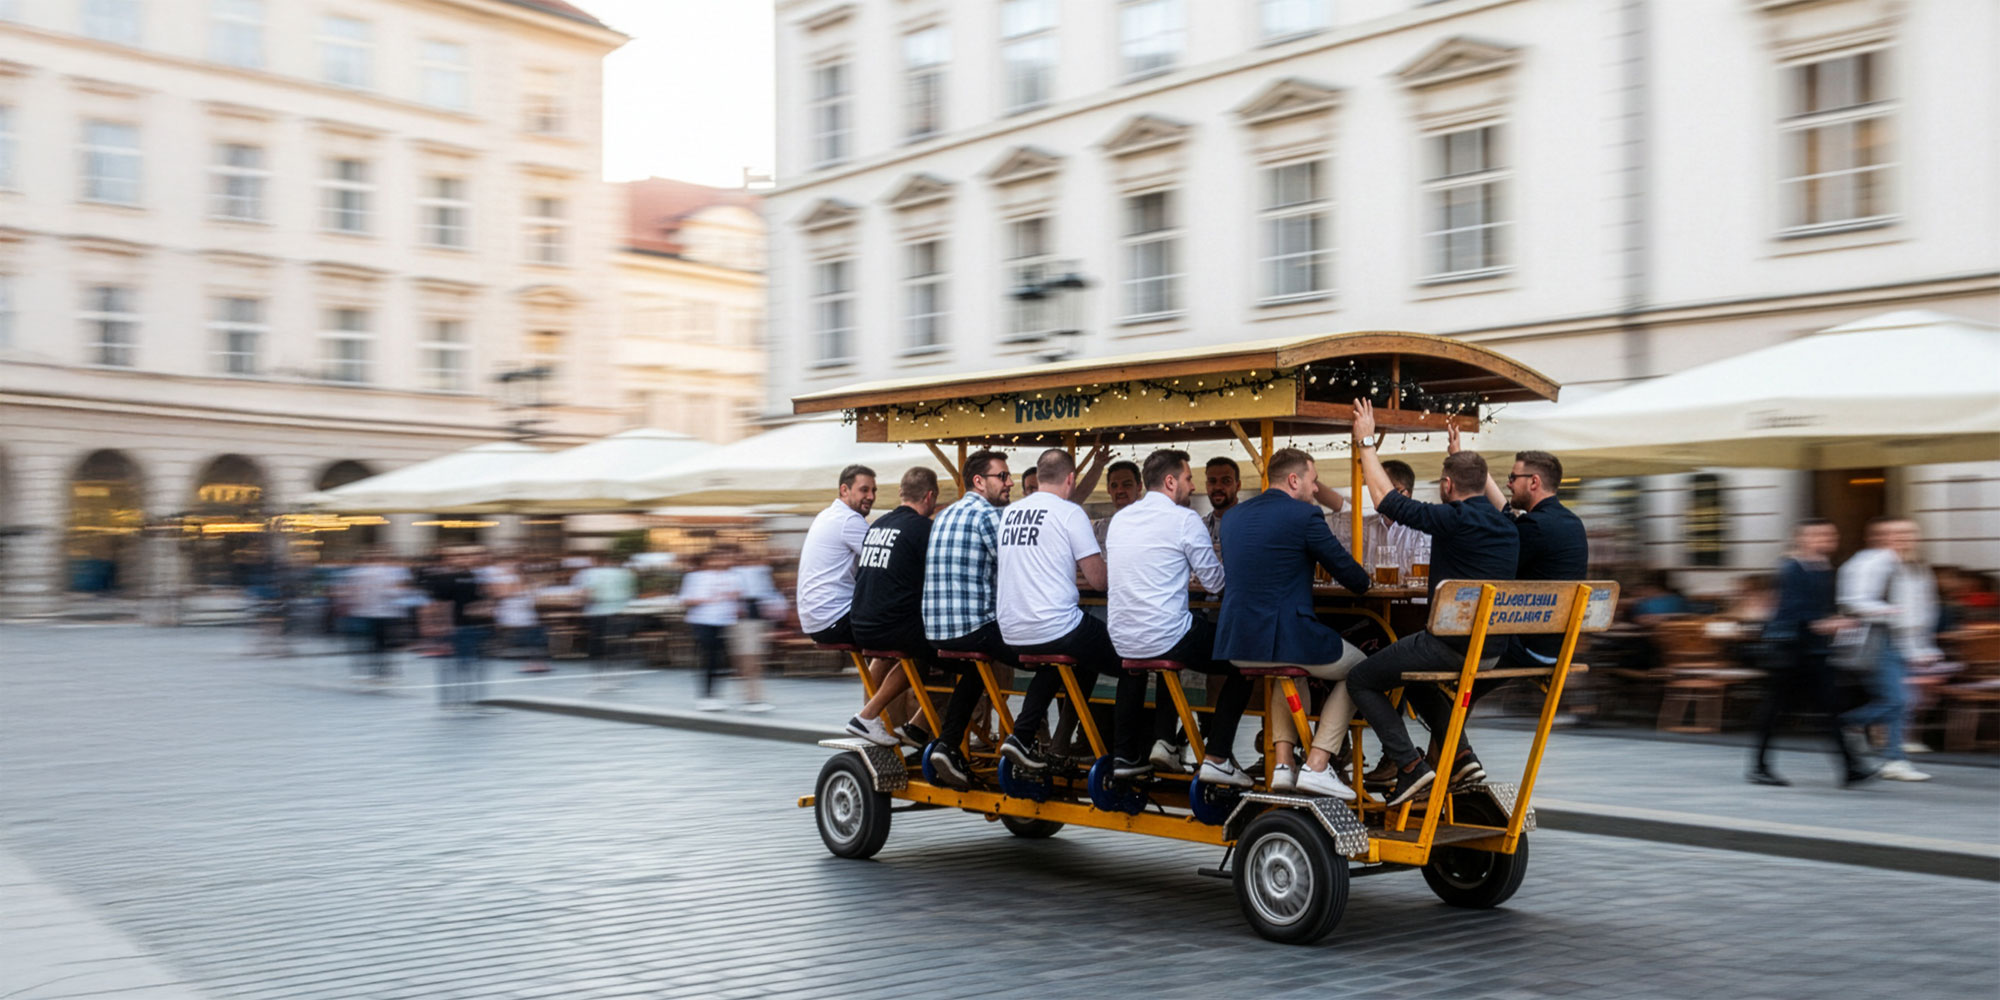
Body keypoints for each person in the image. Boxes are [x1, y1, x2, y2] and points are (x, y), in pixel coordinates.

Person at [1344, 399, 1519, 806]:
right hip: (1493, 649)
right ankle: (1461, 755)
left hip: (1451, 645)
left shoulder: (1454, 519)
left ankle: (1409, 766)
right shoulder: (1507, 525)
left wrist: (1366, 442)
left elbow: (1387, 501)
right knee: (1409, 675)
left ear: (1446, 487)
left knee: (1361, 678)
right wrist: (1461, 460)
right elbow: (1483, 492)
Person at [1214, 448, 1373, 798]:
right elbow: (1352, 577)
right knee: (1362, 670)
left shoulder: (1234, 517)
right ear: (1294, 480)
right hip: (1287, 635)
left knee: (1287, 672)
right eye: (1313, 481)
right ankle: (1318, 764)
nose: (1316, 489)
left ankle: (1284, 765)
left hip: (1239, 645)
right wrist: (1368, 579)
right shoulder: (1305, 515)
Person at [1108, 449, 1259, 787]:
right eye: (1190, 479)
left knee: (1147, 657)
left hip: (1121, 637)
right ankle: (1218, 755)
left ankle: (1129, 754)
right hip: (1166, 636)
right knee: (1246, 662)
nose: (1194, 487)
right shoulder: (1185, 519)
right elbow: (1216, 583)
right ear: (1171, 481)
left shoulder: (1122, 519)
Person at [996, 448, 1136, 774]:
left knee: (1069, 662)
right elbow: (1099, 580)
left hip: (1012, 630)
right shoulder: (1070, 513)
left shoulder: (1010, 513)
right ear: (1070, 479)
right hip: (1056, 626)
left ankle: (1023, 736)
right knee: (1133, 662)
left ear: (1039, 476)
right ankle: (1128, 755)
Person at [1749, 519, 1877, 787]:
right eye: (1818, 534)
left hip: (1814, 652)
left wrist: (1831, 620)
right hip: (1790, 652)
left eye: (1830, 533)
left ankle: (1851, 767)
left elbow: (1817, 610)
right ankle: (1759, 767)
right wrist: (1826, 623)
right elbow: (1794, 611)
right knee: (1776, 712)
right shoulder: (1792, 568)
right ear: (1801, 539)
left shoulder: (1823, 567)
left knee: (1829, 709)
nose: (1827, 538)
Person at [921, 450, 1018, 787]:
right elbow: (1017, 570)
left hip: (936, 632)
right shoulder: (988, 516)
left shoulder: (945, 514)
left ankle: (948, 746)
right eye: (1002, 476)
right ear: (979, 481)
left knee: (978, 669)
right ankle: (1025, 742)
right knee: (1045, 660)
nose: (1010, 483)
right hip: (973, 628)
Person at [844, 467, 949, 745]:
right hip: (892, 628)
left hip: (862, 624)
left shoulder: (879, 524)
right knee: (950, 655)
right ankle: (870, 717)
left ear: (902, 493)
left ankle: (884, 721)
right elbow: (939, 577)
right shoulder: (923, 529)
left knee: (910, 651)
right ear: (930, 496)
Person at [1838, 517, 1939, 781]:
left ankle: (1895, 759)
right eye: (1895, 533)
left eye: (1908, 532)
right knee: (1898, 700)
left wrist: (1923, 647)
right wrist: (1890, 612)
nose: (1903, 538)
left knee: (1905, 702)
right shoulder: (1869, 563)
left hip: (1903, 641)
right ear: (1878, 537)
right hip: (1878, 638)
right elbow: (1853, 601)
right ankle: (1848, 723)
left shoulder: (1916, 566)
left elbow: (1925, 610)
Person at [426, 546, 494, 712]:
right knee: (451, 664)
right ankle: (450, 699)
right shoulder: (444, 579)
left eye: (467, 556)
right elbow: (439, 604)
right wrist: (439, 625)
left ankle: (471, 697)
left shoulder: (474, 577)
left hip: (473, 625)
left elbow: (482, 599)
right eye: (459, 556)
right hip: (454, 626)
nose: (464, 559)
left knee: (472, 664)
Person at [1329, 459, 1420, 572]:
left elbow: (1422, 577)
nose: (1377, 495)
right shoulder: (1366, 526)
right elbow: (1340, 510)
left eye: (1383, 489)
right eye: (1375, 489)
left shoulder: (1421, 530)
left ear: (1406, 493)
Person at [679, 550, 740, 711]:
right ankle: (705, 696)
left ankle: (715, 695)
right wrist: (703, 600)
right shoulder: (694, 577)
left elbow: (737, 597)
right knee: (709, 658)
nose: (720, 562)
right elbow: (684, 600)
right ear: (707, 561)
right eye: (716, 559)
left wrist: (733, 597)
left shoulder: (732, 576)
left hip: (725, 622)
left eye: (723, 558)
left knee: (722, 660)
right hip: (702, 621)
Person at [343, 548, 412, 682]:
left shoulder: (358, 572)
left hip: (366, 612)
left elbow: (352, 592)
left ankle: (372, 669)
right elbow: (396, 592)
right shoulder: (393, 573)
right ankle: (383, 669)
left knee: (372, 641)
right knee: (384, 642)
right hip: (387, 613)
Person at [730, 549, 784, 712]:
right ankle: (752, 697)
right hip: (744, 616)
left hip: (759, 615)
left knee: (756, 657)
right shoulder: (734, 573)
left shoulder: (762, 572)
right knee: (749, 658)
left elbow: (770, 594)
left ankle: (754, 695)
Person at [572, 553, 637, 684]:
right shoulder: (625, 573)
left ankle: (600, 673)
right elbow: (632, 592)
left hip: (598, 611)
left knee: (598, 642)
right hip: (621, 610)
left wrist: (579, 603)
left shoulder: (591, 573)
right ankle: (621, 670)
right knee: (619, 640)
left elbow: (587, 592)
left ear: (595, 561)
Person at [1091, 460, 1144, 550]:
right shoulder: (1100, 529)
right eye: (1114, 486)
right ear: (1108, 489)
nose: (1120, 490)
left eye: (1127, 485)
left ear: (1139, 487)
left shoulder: (1152, 525)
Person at [1201, 457, 1243, 547]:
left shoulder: (1251, 524)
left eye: (1226, 481)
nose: (1218, 487)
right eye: (1212, 481)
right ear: (1206, 485)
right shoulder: (1200, 527)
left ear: (1238, 486)